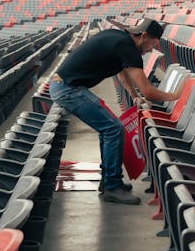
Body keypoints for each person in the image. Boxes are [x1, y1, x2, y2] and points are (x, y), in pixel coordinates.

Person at [49, 18, 184, 205]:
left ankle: (109, 180)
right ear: (144, 36)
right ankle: (112, 186)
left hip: (65, 86)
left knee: (109, 128)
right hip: (68, 89)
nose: (152, 49)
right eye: (153, 43)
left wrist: (134, 95)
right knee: (113, 129)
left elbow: (121, 73)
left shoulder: (120, 39)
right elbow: (149, 91)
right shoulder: (128, 48)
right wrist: (176, 96)